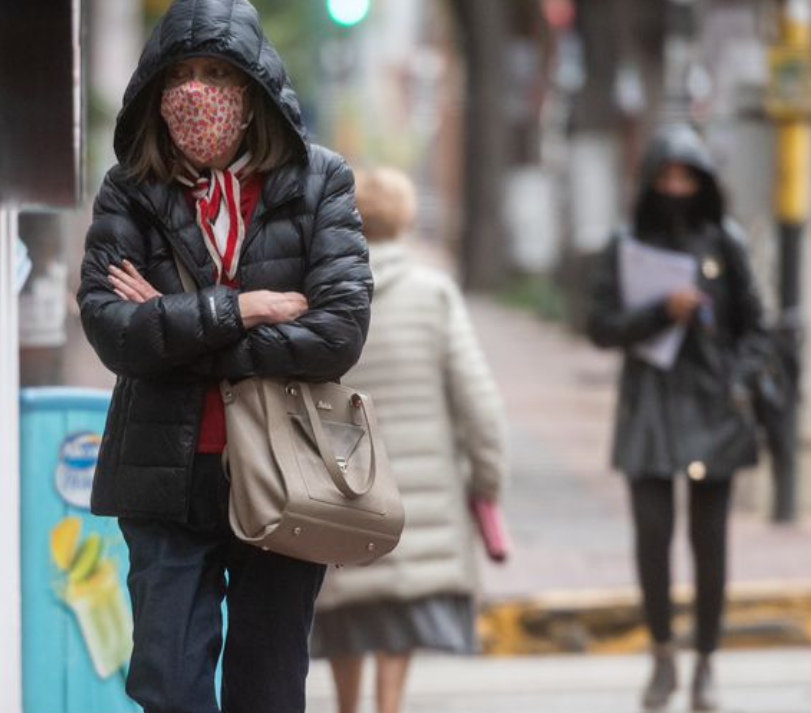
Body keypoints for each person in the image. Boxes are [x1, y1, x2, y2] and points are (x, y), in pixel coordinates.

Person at [75, 0, 372, 710]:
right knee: (167, 684)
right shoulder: (130, 190)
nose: (195, 91)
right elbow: (113, 330)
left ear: (253, 87)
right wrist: (239, 307)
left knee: (268, 688)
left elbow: (338, 332)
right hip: (163, 476)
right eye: (180, 74)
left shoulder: (319, 181)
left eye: (216, 73)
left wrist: (175, 324)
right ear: (155, 89)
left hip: (285, 471)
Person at [309, 167, 507, 713]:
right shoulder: (433, 294)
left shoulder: (322, 293)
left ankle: (347, 707)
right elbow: (480, 404)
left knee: (347, 607)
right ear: (406, 219)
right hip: (418, 492)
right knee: (397, 608)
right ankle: (389, 705)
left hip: (340, 481)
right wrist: (487, 483)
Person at [587, 124, 768, 712]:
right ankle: (663, 654)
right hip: (649, 409)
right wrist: (660, 312)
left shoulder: (724, 241)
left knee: (710, 543)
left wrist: (739, 380)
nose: (675, 188)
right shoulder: (624, 243)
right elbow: (600, 326)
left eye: (686, 178)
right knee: (653, 538)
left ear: (703, 182)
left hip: (713, 408)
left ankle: (707, 661)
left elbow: (757, 327)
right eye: (665, 177)